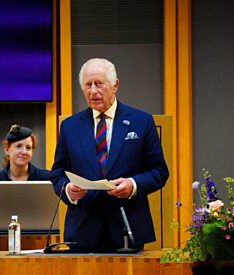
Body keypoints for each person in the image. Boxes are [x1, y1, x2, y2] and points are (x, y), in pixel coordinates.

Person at [50, 58, 169, 252]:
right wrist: (68, 190)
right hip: (83, 231)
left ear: (115, 86)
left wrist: (133, 185)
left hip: (127, 228)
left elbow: (159, 172)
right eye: (88, 85)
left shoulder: (142, 122)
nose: (93, 91)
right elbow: (57, 173)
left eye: (99, 83)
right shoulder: (70, 127)